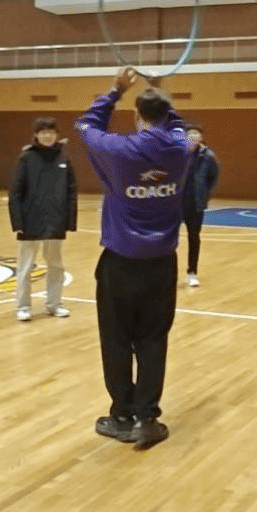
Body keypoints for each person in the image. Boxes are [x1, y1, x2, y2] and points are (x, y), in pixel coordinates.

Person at [76, 67, 192, 450]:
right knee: (153, 340)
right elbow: (177, 126)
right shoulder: (182, 149)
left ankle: (122, 416)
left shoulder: (118, 151)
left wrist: (115, 91)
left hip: (121, 263)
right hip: (161, 265)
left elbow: (85, 125)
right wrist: (158, 92)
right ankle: (147, 419)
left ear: (138, 116)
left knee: (116, 339)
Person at [8, 116, 78, 322]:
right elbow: (15, 192)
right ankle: (23, 306)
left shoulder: (63, 159)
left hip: (55, 221)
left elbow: (71, 192)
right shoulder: (26, 158)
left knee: (56, 265)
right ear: (36, 135)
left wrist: (70, 221)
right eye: (43, 132)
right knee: (26, 266)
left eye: (51, 132)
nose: (48, 136)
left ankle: (55, 304)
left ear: (57, 135)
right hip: (30, 220)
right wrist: (17, 222)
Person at [181, 121, 220, 288]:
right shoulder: (177, 154)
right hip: (176, 204)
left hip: (196, 204)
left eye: (196, 133)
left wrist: (204, 194)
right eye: (190, 134)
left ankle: (192, 273)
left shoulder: (208, 156)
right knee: (168, 239)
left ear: (201, 137)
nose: (193, 136)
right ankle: (166, 273)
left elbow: (213, 177)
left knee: (194, 238)